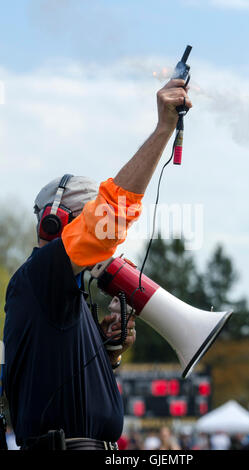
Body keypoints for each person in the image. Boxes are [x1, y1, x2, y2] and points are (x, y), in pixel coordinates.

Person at [2, 78, 192, 451]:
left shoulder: (59, 292)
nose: (108, 247)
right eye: (88, 219)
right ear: (56, 223)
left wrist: (108, 352)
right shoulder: (41, 276)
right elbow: (111, 216)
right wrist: (163, 130)